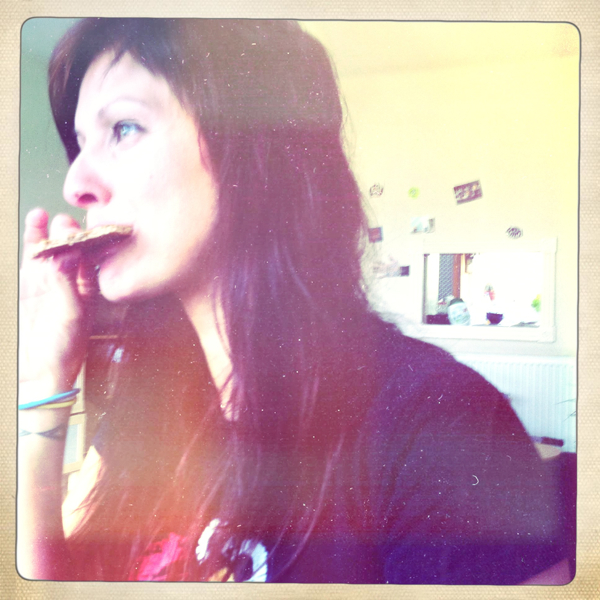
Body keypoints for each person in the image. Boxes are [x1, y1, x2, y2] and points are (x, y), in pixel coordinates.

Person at [18, 18, 571, 583]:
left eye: (124, 128)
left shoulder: (439, 422)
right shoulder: (147, 409)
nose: (75, 184)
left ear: (254, 149)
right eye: (80, 144)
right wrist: (44, 383)